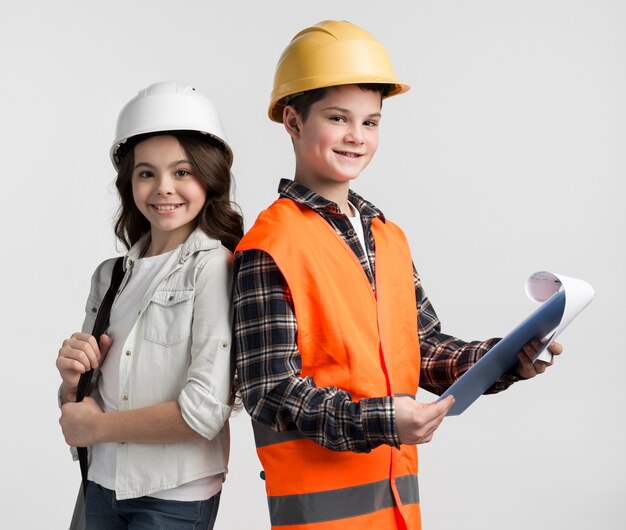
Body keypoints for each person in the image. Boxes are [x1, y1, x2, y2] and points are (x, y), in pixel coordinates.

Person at [232, 20, 563, 530]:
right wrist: (384, 420)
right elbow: (270, 390)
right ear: (293, 122)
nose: (356, 137)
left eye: (371, 122)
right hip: (319, 518)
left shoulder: (387, 237)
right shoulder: (269, 247)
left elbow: (424, 350)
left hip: (398, 512)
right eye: (338, 117)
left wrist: (507, 358)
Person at [56, 81, 243, 529]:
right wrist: (70, 382)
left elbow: (204, 410)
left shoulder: (213, 268)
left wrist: (97, 428)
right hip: (100, 483)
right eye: (146, 173)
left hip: (172, 497)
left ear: (209, 176)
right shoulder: (110, 274)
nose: (163, 189)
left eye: (182, 172)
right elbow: (81, 408)